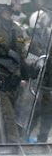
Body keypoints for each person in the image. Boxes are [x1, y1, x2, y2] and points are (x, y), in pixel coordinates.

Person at [0, 0, 36, 143]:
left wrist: (35, 68)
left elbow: (21, 58)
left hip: (15, 88)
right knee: (12, 137)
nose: (20, 1)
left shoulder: (16, 28)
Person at [27, 10, 52, 142]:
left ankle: (39, 140)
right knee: (36, 114)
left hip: (44, 84)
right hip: (40, 84)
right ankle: (32, 139)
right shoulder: (34, 40)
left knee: (44, 115)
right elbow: (32, 60)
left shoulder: (44, 38)